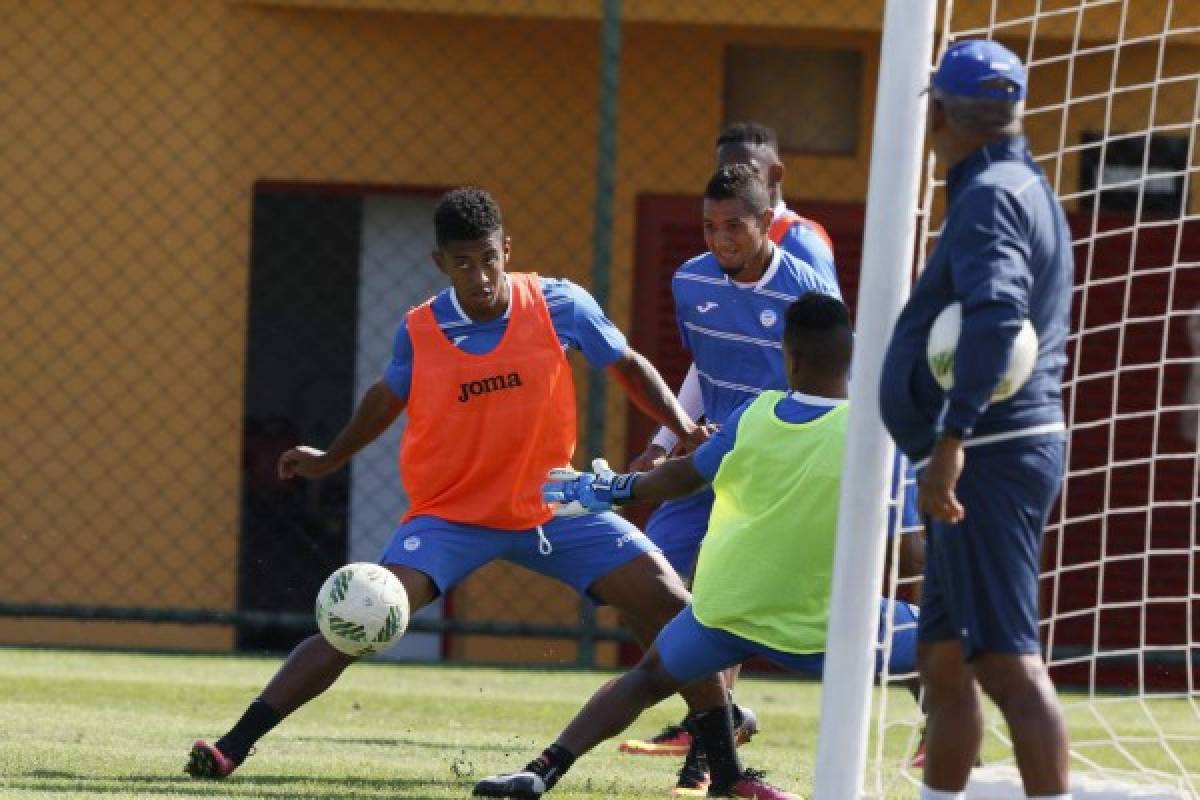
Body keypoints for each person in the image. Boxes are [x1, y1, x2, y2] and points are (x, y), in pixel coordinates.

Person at [183, 186, 731, 781]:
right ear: (440, 264)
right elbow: (384, 398)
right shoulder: (420, 328)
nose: (482, 275)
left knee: (673, 605)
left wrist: (681, 426)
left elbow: (627, 364)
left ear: (507, 250)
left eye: (490, 258)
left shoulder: (559, 304)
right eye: (464, 263)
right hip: (452, 514)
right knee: (363, 614)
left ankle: (716, 760)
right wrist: (329, 457)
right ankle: (232, 746)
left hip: (552, 500)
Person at [473, 295, 917, 800]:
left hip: (726, 609)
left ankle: (542, 771)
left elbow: (682, 476)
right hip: (821, 627)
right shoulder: (874, 436)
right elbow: (914, 552)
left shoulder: (756, 414)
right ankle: (938, 759)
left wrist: (606, 488)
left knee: (647, 677)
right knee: (943, 646)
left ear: (789, 359)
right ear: (853, 358)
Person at [879, 40, 1074, 800]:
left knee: (1003, 662)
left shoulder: (993, 195)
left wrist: (952, 441)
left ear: (942, 116)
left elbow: (996, 319)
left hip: (987, 455)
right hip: (982, 450)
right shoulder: (1018, 184)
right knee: (944, 659)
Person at [617, 164, 839, 771]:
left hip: (770, 471)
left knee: (730, 595)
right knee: (643, 582)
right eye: (710, 227)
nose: (721, 240)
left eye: (734, 227)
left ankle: (710, 746)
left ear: (766, 221)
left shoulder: (807, 288)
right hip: (706, 462)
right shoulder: (690, 281)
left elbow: (833, 380)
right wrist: (669, 440)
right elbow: (703, 370)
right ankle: (722, 718)